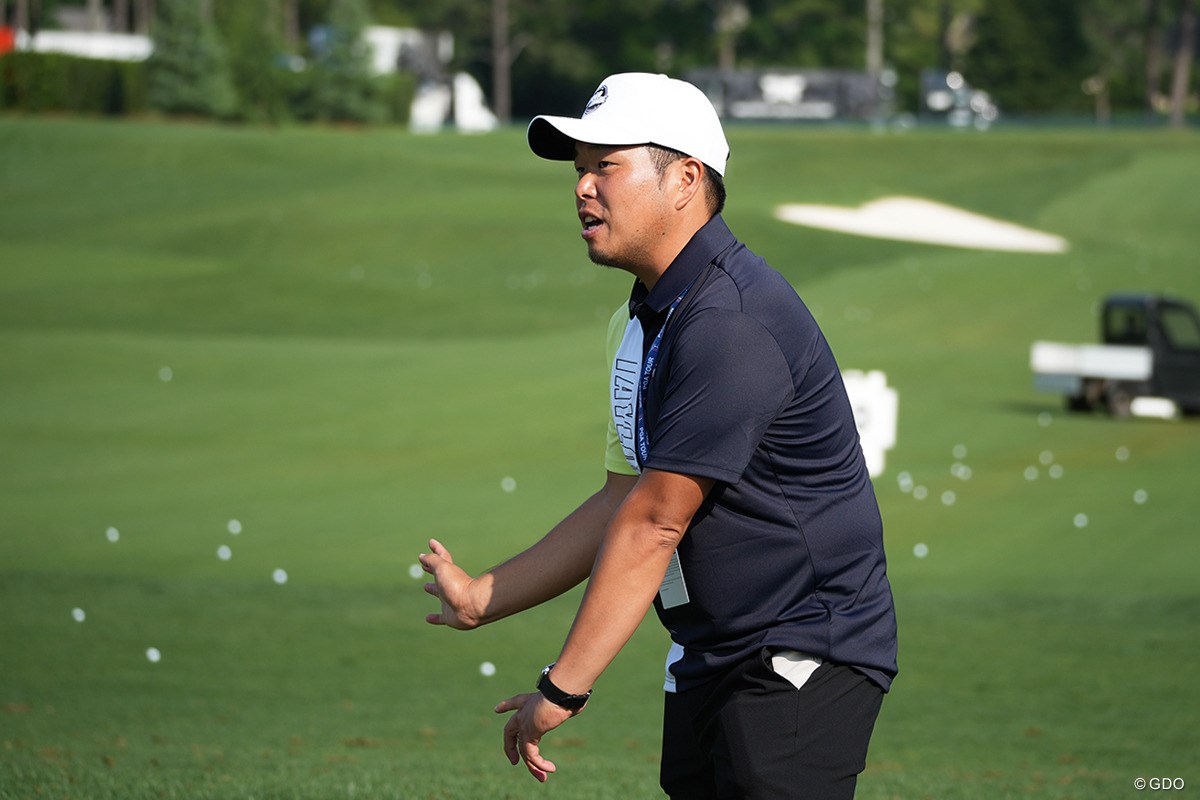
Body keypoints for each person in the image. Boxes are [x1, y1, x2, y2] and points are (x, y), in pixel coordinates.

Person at [420, 72, 898, 799]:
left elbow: (654, 524)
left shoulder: (729, 322)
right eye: (579, 169)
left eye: (606, 166)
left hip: (799, 652)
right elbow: (623, 500)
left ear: (685, 180)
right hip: (715, 648)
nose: (582, 188)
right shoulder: (645, 317)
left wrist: (562, 687)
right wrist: (483, 597)